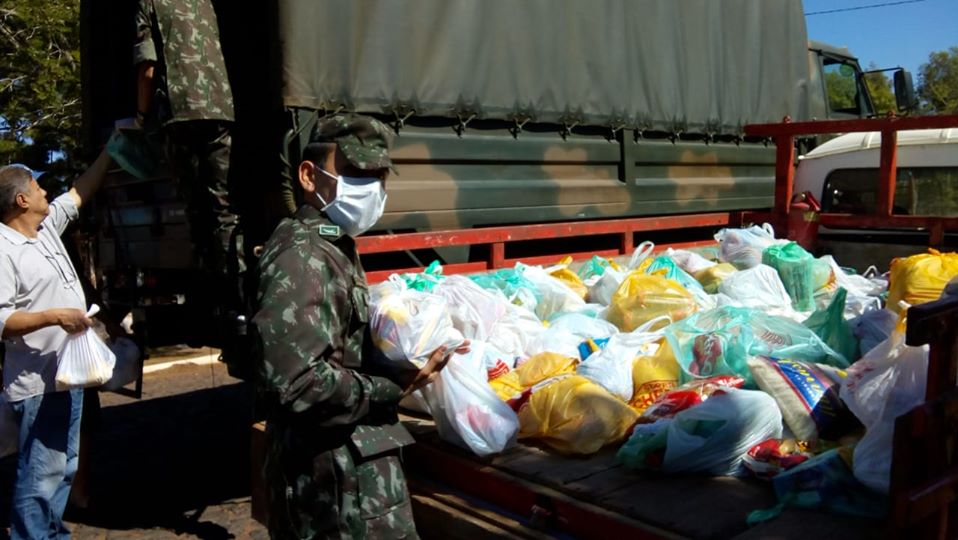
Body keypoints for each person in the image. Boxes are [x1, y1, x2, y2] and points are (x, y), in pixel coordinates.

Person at [252, 114, 466, 539]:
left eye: (380, 175)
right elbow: (296, 383)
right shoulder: (303, 256)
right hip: (334, 490)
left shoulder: (330, 245)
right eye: (357, 173)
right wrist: (392, 386)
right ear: (310, 176)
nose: (373, 188)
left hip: (348, 476)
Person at [0, 150, 112, 539]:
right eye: (36, 186)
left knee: (62, 468)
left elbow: (79, 192)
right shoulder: (3, 249)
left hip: (65, 378)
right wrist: (55, 317)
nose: (45, 190)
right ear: (21, 200)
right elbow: (2, 321)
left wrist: (113, 149)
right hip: (37, 386)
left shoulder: (45, 227)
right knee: (39, 478)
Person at [134, 0, 243, 317]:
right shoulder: (206, 2)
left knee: (196, 212)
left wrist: (141, 116)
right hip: (220, 109)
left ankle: (210, 299)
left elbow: (148, 69)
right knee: (224, 208)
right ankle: (240, 296)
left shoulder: (150, 3)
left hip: (180, 114)